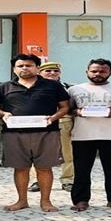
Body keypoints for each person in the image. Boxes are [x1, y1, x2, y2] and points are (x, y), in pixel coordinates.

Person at [0, 53, 70, 212]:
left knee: (45, 168)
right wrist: (4, 114)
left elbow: (65, 107)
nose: (24, 68)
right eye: (20, 66)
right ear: (14, 69)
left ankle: (46, 202)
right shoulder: (4, 87)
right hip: (14, 134)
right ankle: (22, 201)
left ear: (37, 68)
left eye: (29, 65)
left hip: (47, 132)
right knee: (20, 168)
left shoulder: (52, 86)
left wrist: (53, 118)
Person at [67, 59, 111, 212]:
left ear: (110, 72)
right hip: (82, 135)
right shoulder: (74, 89)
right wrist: (78, 111)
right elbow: (68, 109)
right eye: (94, 71)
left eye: (103, 71)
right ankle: (81, 200)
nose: (98, 74)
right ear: (87, 72)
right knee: (81, 170)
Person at [28, 61, 75, 193]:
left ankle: (68, 180)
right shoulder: (31, 86)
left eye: (55, 71)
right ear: (39, 72)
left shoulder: (68, 88)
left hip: (63, 122)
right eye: (48, 71)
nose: (52, 73)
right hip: (40, 123)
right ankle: (37, 180)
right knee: (37, 153)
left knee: (67, 153)